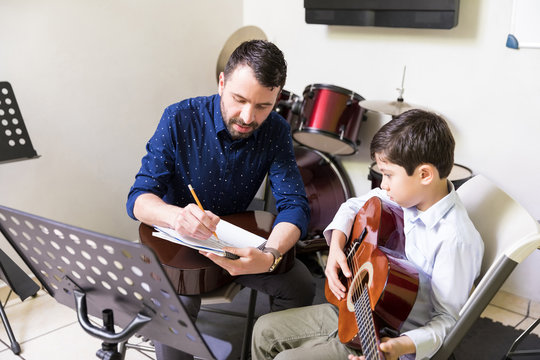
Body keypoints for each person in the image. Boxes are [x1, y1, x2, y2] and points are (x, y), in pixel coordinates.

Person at [126, 40, 316, 359]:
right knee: (176, 310)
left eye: (262, 106)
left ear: (277, 98)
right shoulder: (178, 118)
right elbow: (137, 200)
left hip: (234, 240)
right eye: (239, 99)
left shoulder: (277, 130)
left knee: (300, 284)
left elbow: (295, 205)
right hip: (177, 246)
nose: (247, 116)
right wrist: (176, 217)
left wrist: (269, 255)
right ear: (222, 82)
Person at [251, 109, 484, 360]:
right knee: (263, 330)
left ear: (424, 174)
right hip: (359, 309)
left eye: (388, 175)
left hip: (392, 339)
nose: (383, 185)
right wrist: (337, 248)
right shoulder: (408, 196)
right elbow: (352, 206)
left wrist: (399, 347)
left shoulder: (456, 240)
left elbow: (448, 322)